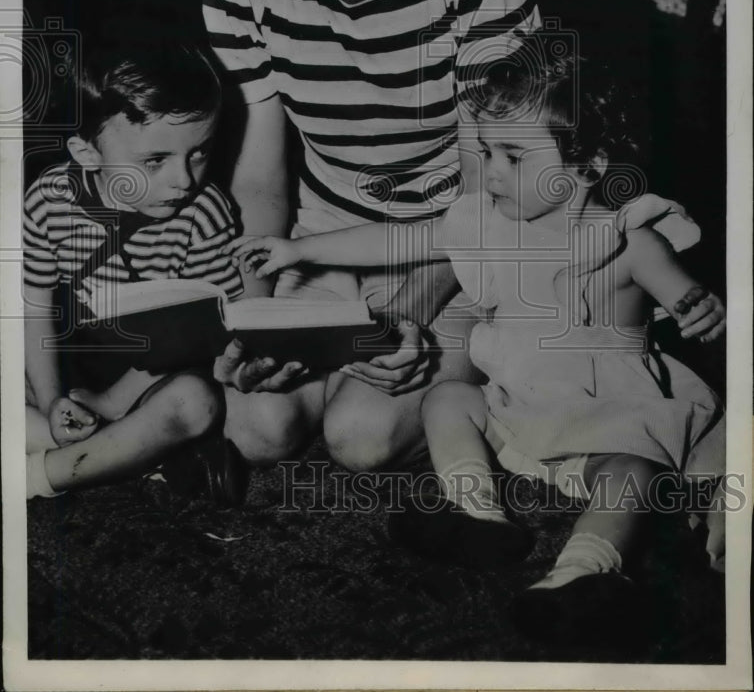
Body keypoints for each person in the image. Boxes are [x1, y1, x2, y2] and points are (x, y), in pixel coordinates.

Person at [227, 35, 726, 642]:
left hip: (608, 414)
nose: (489, 173)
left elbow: (690, 301)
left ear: (590, 164)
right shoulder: (487, 224)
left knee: (632, 471)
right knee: (448, 399)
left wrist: (700, 309)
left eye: (514, 157)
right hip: (515, 407)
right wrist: (299, 250)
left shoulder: (630, 240)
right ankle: (478, 512)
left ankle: (583, 573)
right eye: (486, 152)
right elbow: (400, 239)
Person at [203, 0, 542, 470]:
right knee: (256, 428)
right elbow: (261, 175)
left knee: (360, 436)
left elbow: (491, 182)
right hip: (324, 235)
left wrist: (402, 312)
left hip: (456, 240)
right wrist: (254, 318)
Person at [24, 38, 250, 501]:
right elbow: (34, 307)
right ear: (87, 153)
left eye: (199, 152)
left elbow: (210, 329)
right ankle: (134, 455)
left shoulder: (205, 213)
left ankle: (41, 474)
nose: (184, 180)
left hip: (152, 376)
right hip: (71, 356)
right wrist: (52, 402)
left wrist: (109, 403)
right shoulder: (49, 199)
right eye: (155, 161)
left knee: (195, 402)